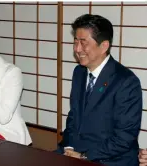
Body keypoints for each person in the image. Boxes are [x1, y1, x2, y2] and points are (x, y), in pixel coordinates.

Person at [56, 14, 142, 166]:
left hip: (110, 159)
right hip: (76, 150)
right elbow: (73, 117)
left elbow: (124, 139)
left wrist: (84, 156)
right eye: (75, 41)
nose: (77, 49)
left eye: (83, 43)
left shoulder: (126, 82)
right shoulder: (79, 72)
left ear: (104, 46)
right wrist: (69, 147)